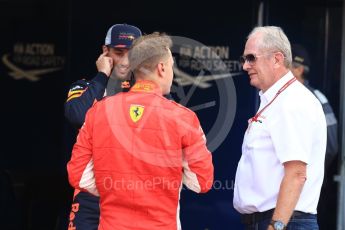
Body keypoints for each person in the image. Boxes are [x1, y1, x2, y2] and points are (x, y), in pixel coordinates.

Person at [67, 32, 214, 230]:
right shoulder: (184, 118)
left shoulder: (97, 111)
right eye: (172, 67)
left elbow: (78, 176)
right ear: (162, 68)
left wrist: (116, 189)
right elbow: (201, 182)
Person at [233, 26, 327, 230]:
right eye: (244, 59)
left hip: (284, 222)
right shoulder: (279, 99)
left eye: (251, 58)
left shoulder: (292, 102)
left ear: (277, 58)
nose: (245, 66)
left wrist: (276, 226)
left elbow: (296, 174)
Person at [64, 23, 142, 230]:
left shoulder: (149, 93)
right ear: (105, 52)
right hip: (91, 195)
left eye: (132, 54)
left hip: (133, 196)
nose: (125, 61)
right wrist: (102, 76)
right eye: (118, 52)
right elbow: (77, 116)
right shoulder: (84, 87)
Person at [290, 44, 338, 169]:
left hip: (304, 183)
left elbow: (331, 146)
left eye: (285, 67)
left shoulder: (316, 99)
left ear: (299, 70)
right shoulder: (276, 96)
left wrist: (308, 174)